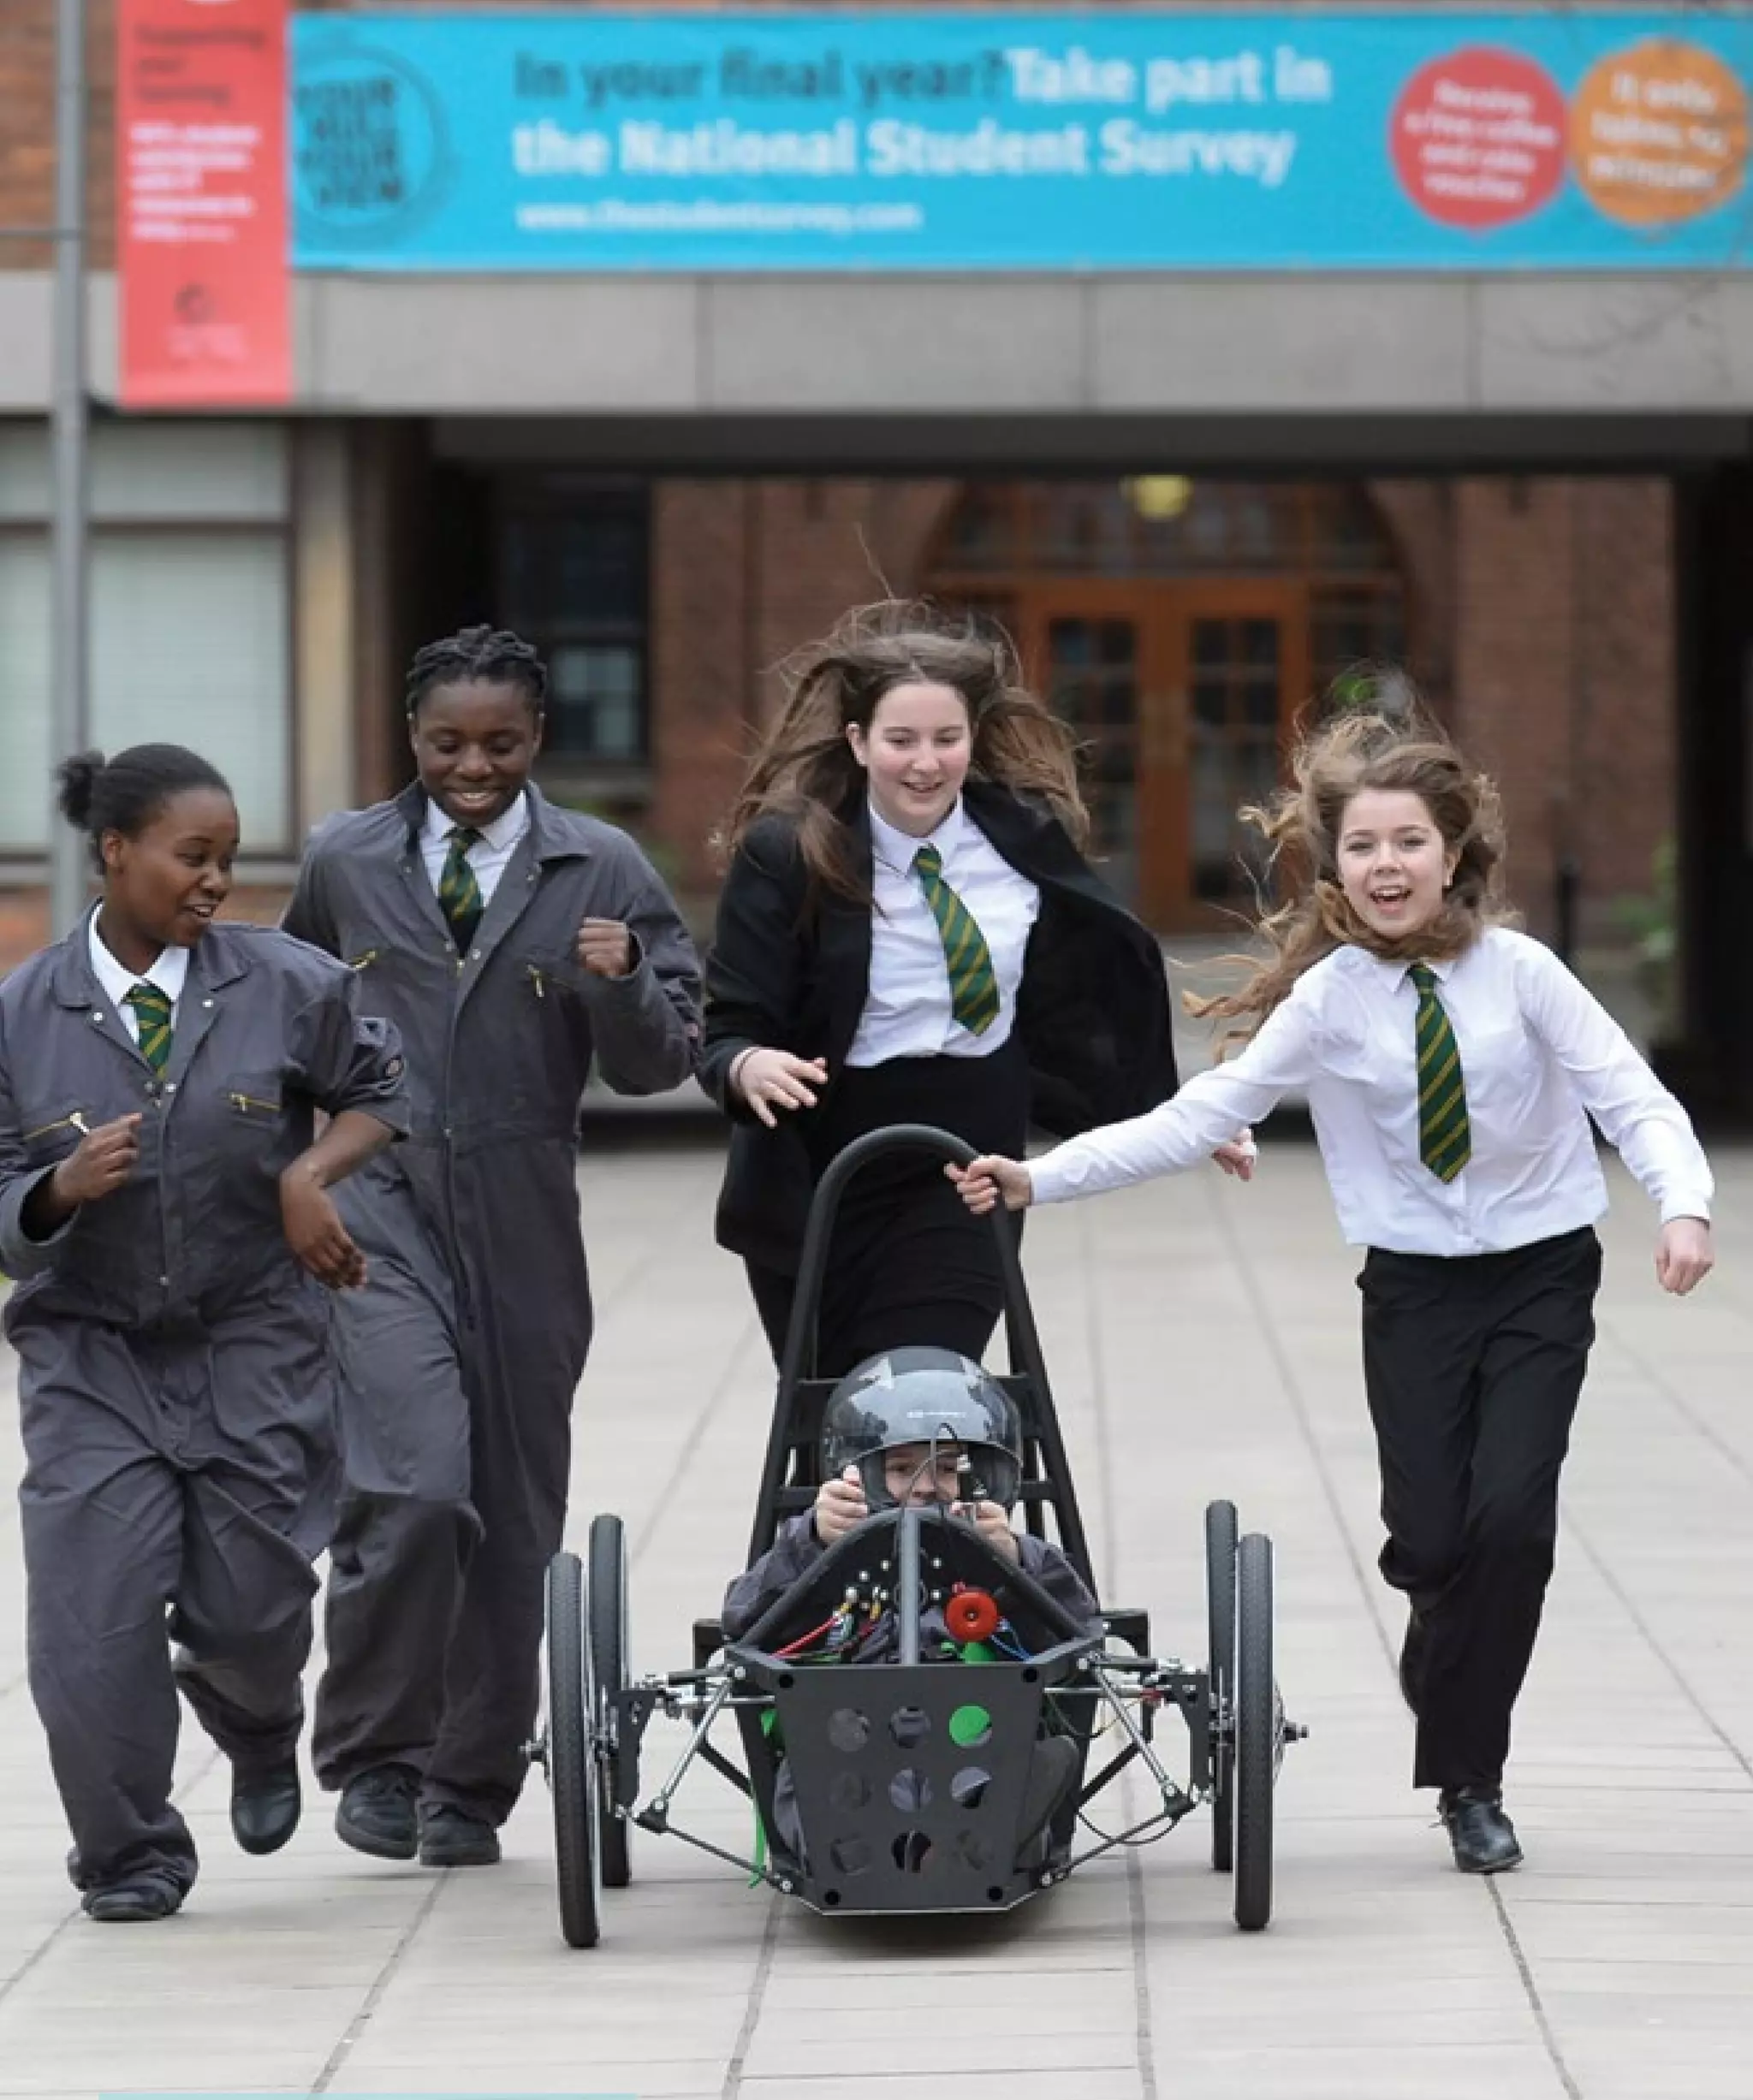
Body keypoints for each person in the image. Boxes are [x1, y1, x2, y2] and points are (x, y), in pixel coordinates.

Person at [952, 700, 1715, 1877]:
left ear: (1452, 853)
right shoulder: (1332, 1001)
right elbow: (1201, 1117)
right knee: (1429, 1540)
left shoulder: (1524, 975)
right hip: (1412, 1288)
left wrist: (1683, 1204)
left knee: (1509, 1525)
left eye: (1409, 842)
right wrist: (1039, 1181)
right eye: (1362, 848)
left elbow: (1633, 1098)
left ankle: (1471, 1778)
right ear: (1337, 868)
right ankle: (1442, 1637)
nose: (1386, 866)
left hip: (1540, 1279)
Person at [282, 626, 701, 1871]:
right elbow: (284, 1023)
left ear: (538, 743)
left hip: (525, 1220)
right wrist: (283, 1178)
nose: (474, 766)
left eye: (501, 744)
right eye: (449, 742)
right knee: (413, 1490)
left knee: (511, 1515)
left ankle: (470, 1783)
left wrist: (620, 983)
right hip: (379, 1214)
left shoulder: (601, 865)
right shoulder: (346, 860)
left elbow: (659, 1063)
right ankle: (375, 1754)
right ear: (412, 737)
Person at [0, 744, 410, 1922]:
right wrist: (54, 1192)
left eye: (229, 858)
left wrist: (309, 1174)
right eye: (194, 857)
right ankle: (129, 1858)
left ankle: (258, 1719)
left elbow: (380, 1092)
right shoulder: (22, 1017)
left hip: (252, 1342)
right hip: (92, 1356)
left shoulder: (290, 983)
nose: (218, 881)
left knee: (250, 1609)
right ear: (116, 850)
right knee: (90, 1626)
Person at [698, 601, 1229, 1379]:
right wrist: (747, 1066)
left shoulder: (1020, 837)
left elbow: (1078, 1008)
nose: (925, 763)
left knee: (921, 1394)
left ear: (972, 740)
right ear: (858, 742)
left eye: (946, 739)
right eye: (901, 740)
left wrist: (1183, 1120)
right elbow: (727, 1029)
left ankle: (939, 1500)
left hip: (966, 1167)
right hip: (820, 1170)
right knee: (831, 1420)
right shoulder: (791, 852)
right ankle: (825, 1508)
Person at [722, 1346, 1098, 1863]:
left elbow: (1082, 1633)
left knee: (998, 1739)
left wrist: (1014, 1560)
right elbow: (741, 1622)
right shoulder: (817, 1546)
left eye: (944, 1469)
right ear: (859, 1476)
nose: (925, 1487)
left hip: (971, 1733)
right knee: (836, 1738)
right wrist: (812, 1541)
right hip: (850, 1745)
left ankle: (978, 1832)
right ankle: (871, 1847)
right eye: (902, 1469)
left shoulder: (995, 1548)